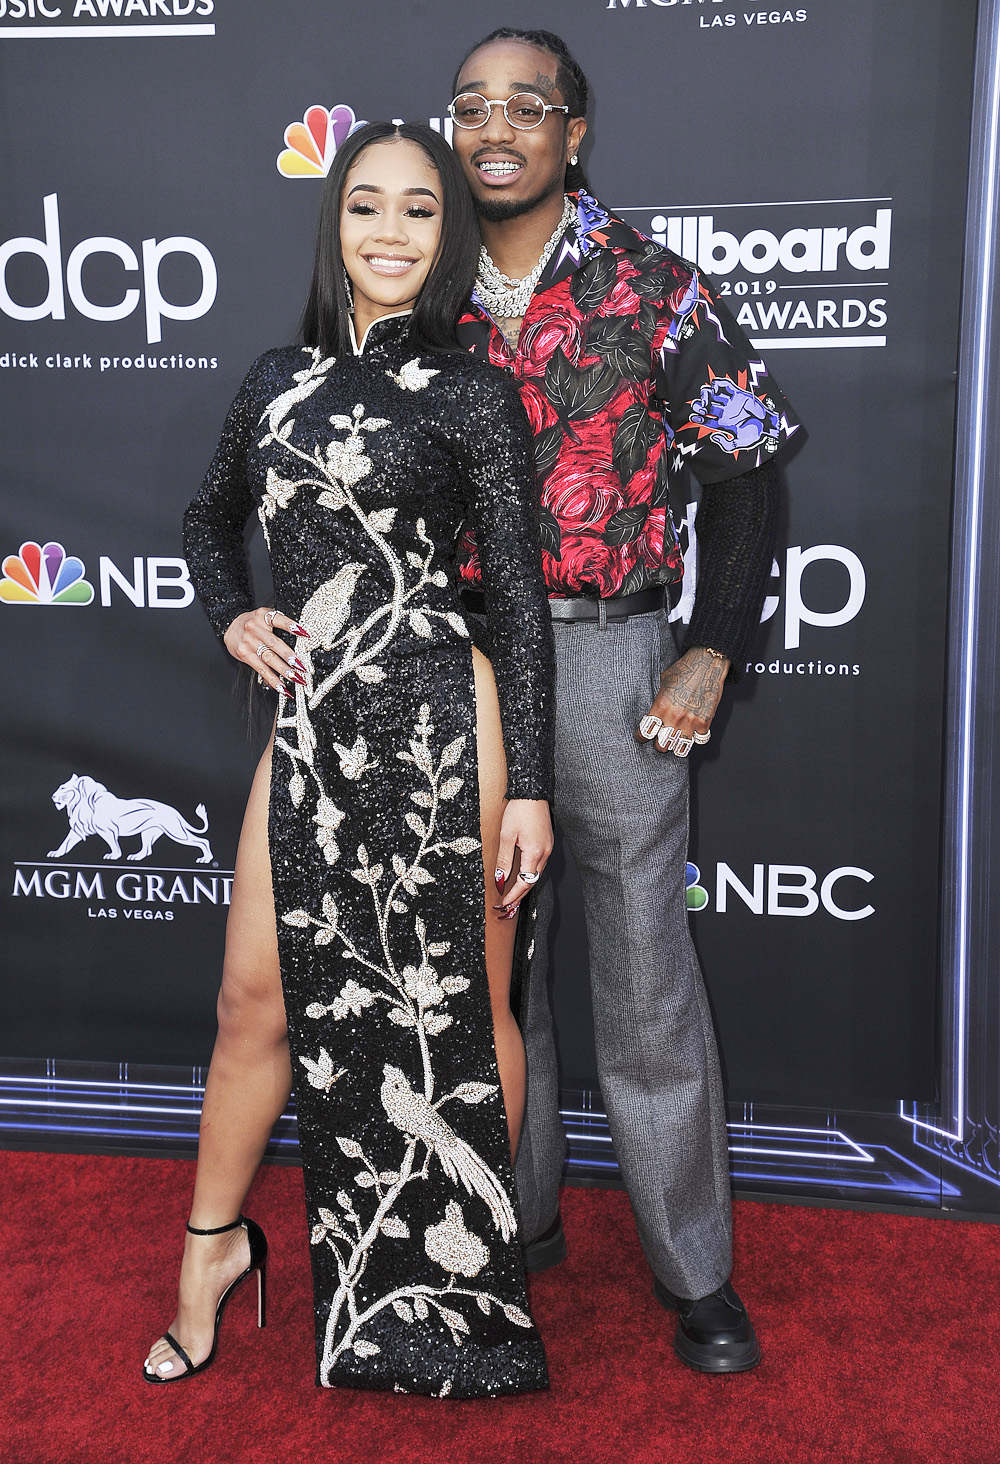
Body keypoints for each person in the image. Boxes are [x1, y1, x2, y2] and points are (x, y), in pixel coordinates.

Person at [143, 121, 556, 1400]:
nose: (390, 231)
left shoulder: (477, 390)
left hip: (447, 716)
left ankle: (471, 1284)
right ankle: (211, 1258)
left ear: (446, 236)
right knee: (252, 1002)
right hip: (315, 723)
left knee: (467, 1020)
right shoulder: (275, 377)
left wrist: (531, 780)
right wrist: (230, 610)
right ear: (334, 223)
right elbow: (209, 519)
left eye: (419, 211)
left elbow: (523, 603)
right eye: (366, 205)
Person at [448, 28, 801, 1374]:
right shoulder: (416, 283)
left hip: (610, 656)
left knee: (646, 976)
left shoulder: (653, 285)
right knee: (490, 970)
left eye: (522, 107)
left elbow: (749, 471)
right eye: (470, 106)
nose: (493, 129)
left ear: (573, 132)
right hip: (466, 661)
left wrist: (712, 644)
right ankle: (514, 1227)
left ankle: (694, 1272)